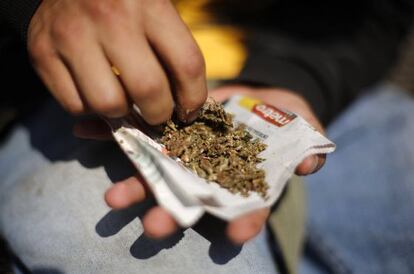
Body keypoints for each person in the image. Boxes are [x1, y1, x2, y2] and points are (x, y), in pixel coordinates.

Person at [0, 0, 413, 273]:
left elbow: (378, 12)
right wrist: (36, 7)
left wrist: (293, 78)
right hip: (79, 89)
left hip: (304, 81)